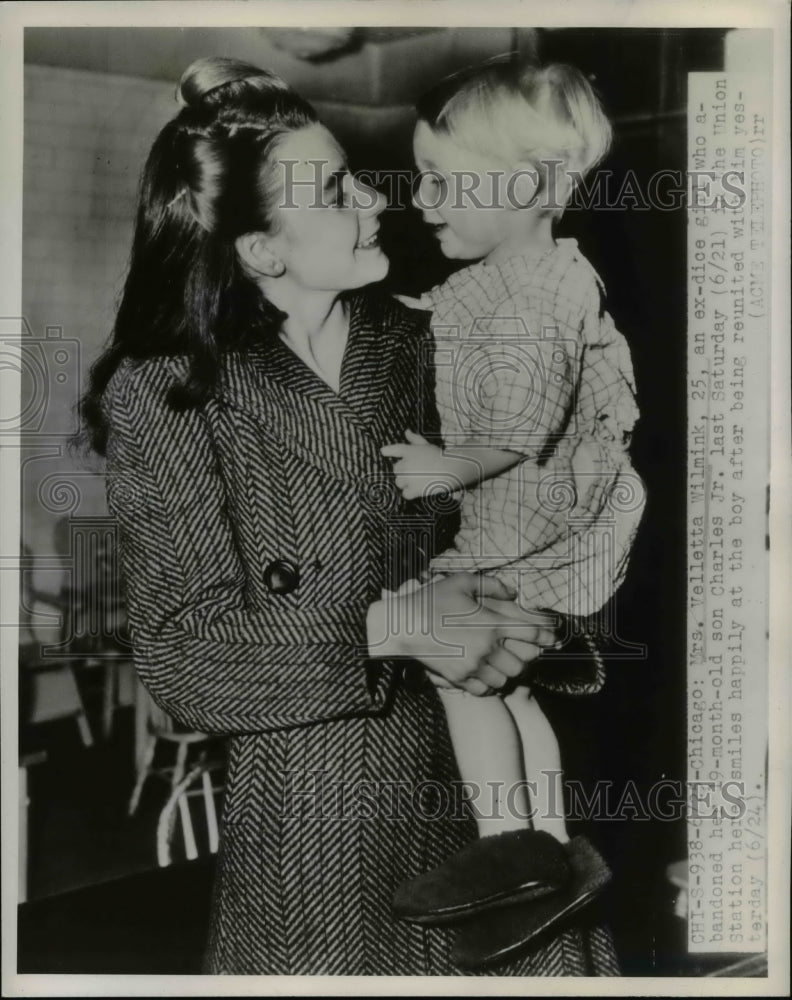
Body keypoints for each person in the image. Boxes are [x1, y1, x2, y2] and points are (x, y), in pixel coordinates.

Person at [79, 56, 620, 976]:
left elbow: (565, 498)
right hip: (321, 834)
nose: (376, 199)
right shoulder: (168, 392)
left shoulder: (438, 334)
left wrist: (529, 624)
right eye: (336, 191)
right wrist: (397, 627)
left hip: (495, 807)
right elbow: (183, 658)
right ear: (263, 249)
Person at [382, 60, 646, 966]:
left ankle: (506, 849)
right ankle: (552, 847)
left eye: (443, 181)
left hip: (532, 509)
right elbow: (457, 317)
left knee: (461, 665)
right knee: (512, 686)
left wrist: (444, 466)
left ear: (529, 187)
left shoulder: (540, 293)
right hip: (541, 507)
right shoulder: (519, 271)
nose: (422, 200)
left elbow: (520, 425)